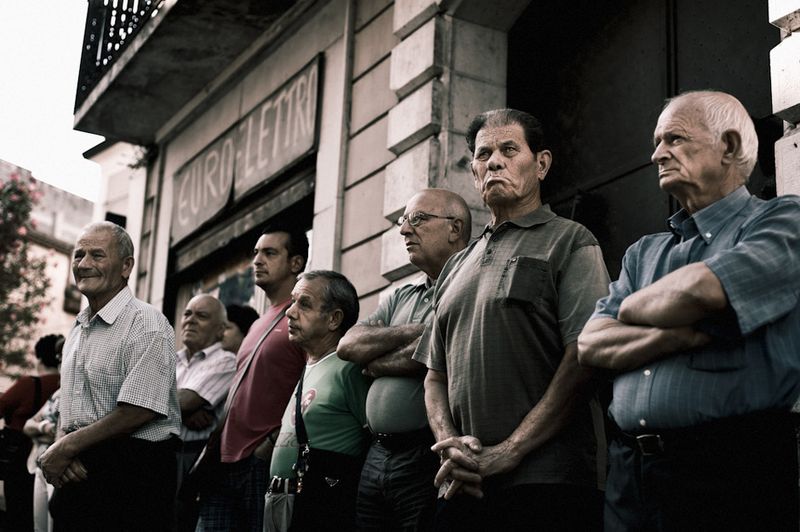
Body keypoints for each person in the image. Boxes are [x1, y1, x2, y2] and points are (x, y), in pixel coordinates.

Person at [577, 90, 800, 531]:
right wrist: (676, 335)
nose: (657, 154)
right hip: (630, 476)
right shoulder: (644, 252)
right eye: (658, 142)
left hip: (730, 470)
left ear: (730, 146)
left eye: (675, 139)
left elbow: (701, 291)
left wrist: (634, 309)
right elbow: (589, 343)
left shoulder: (781, 220)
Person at [413, 109, 610, 531]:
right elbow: (434, 375)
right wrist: (451, 447)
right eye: (484, 154)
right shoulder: (454, 265)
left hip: (550, 481)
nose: (495, 161)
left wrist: (510, 450)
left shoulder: (571, 240)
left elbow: (585, 356)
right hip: (464, 483)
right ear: (473, 170)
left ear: (541, 164)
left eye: (508, 150)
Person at [337, 188, 471, 531]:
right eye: (403, 220)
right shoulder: (402, 294)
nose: (404, 230)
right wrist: (415, 331)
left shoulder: (469, 284)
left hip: (425, 453)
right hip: (377, 453)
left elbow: (441, 354)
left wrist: (377, 362)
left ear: (455, 229)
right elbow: (349, 346)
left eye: (418, 219)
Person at [38, 221, 182, 532]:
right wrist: (64, 445)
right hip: (79, 468)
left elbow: (138, 409)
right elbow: (71, 403)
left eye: (97, 255)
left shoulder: (147, 323)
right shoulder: (79, 328)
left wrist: (64, 448)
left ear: (126, 266)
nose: (84, 265)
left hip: (132, 475)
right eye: (79, 255)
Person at [196, 224, 308, 532]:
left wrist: (272, 442)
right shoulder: (259, 322)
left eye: (270, 253)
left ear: (296, 263)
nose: (257, 260)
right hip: (223, 460)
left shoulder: (302, 316)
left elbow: (313, 384)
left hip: (263, 461)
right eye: (256, 253)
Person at [266, 270, 371, 532]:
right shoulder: (309, 366)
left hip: (319, 505)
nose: (290, 312)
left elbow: (374, 439)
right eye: (292, 301)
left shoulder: (349, 369)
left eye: (304, 304)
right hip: (281, 502)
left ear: (334, 319)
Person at [174, 294, 236, 531]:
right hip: (161, 455)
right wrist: (184, 412)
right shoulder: (171, 360)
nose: (190, 320)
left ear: (220, 330)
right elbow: (139, 400)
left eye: (201, 316)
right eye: (187, 313)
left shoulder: (225, 361)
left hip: (193, 458)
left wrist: (181, 406)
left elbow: (185, 400)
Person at [0, 333, 62, 531]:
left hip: (20, 460)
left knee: (17, 515)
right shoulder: (64, 385)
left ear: (40, 358)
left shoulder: (30, 384)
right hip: (55, 458)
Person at [23, 386, 61, 532]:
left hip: (58, 467)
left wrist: (40, 432)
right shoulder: (57, 394)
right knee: (39, 524)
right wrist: (44, 427)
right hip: (40, 463)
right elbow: (28, 426)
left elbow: (60, 434)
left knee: (52, 523)